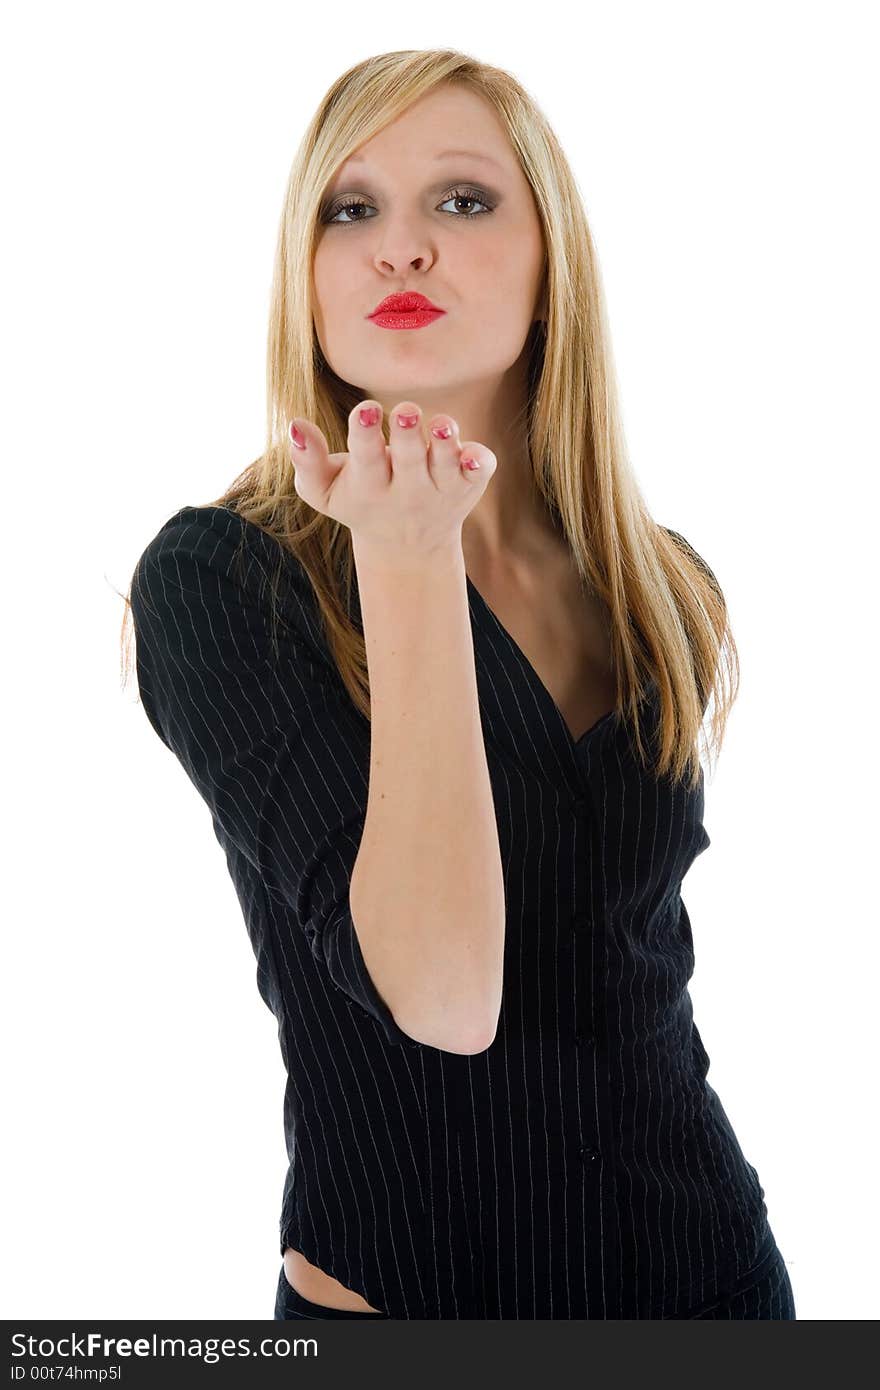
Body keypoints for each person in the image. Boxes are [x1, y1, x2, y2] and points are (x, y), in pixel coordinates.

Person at [123, 49, 795, 1320]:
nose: (401, 249)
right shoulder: (223, 580)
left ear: (553, 265)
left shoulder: (658, 586)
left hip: (714, 1284)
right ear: (305, 272)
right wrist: (407, 555)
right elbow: (440, 996)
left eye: (465, 201)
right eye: (351, 207)